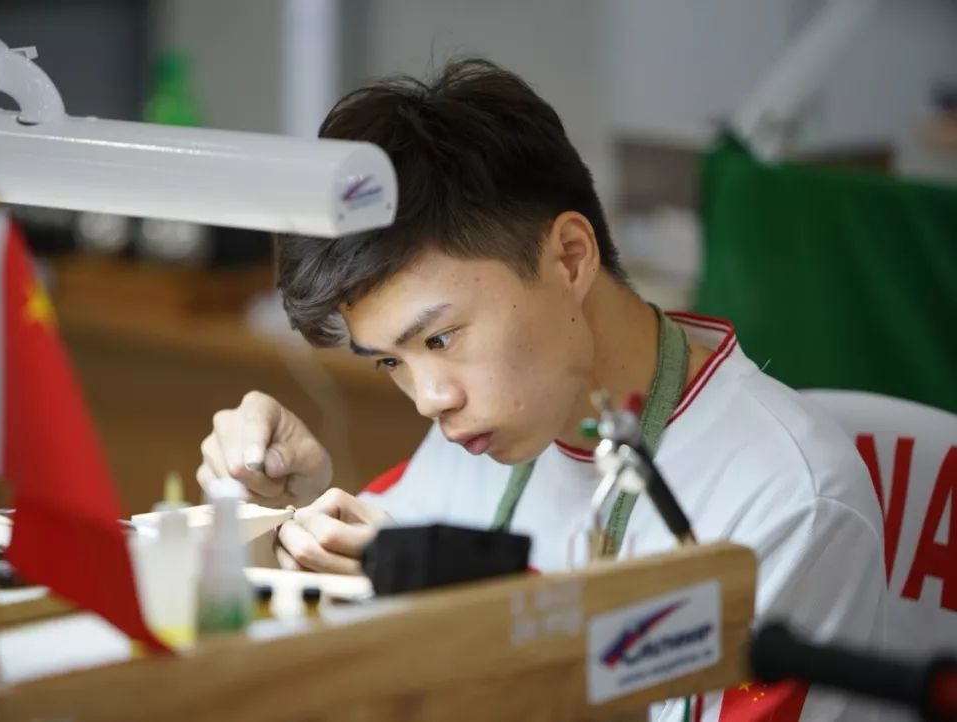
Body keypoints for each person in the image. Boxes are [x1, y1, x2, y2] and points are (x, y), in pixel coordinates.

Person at [197, 59, 884, 721]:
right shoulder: (493, 433)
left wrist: (469, 635)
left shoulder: (788, 502)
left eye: (440, 339)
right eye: (389, 362)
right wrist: (283, 517)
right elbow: (358, 579)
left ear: (570, 258)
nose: (429, 399)